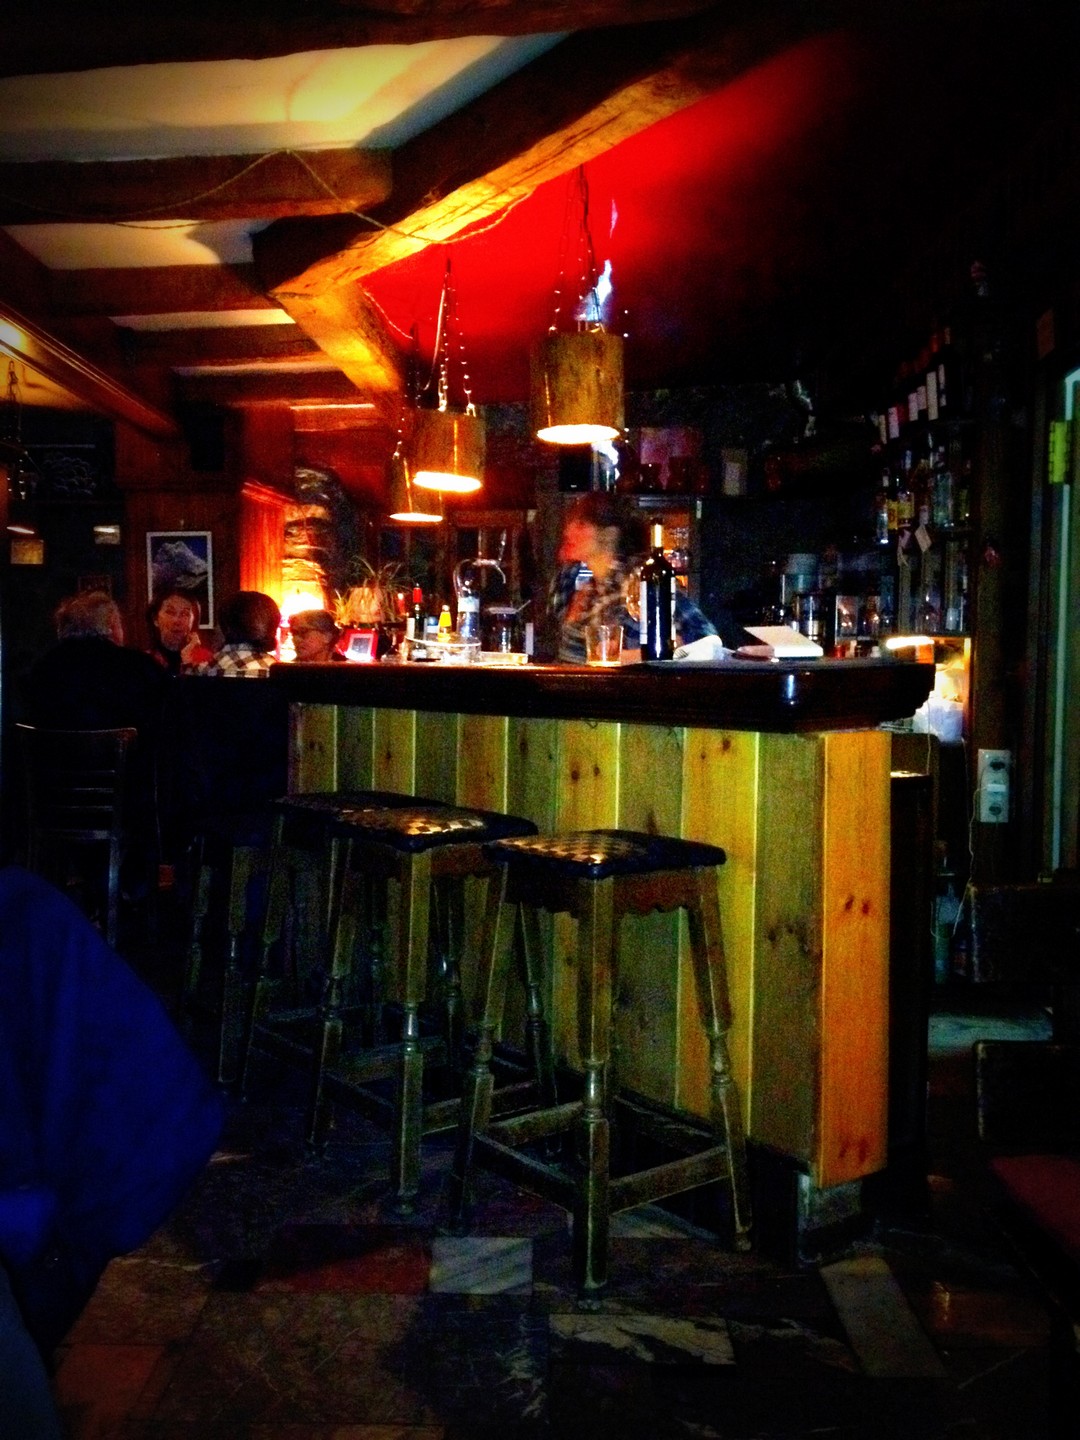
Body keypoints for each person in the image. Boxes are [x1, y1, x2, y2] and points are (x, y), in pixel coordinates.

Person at [548, 492, 717, 663]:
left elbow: (705, 639)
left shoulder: (641, 579)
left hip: (626, 681)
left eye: (581, 524)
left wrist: (631, 657)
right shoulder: (589, 587)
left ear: (610, 534)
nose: (568, 531)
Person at [23, 590, 167, 741]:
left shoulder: (43, 668)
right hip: (123, 755)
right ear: (111, 624)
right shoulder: (139, 667)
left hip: (56, 755)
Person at [191, 591, 280, 677]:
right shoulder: (278, 674)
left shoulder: (200, 670)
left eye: (217, 623)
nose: (215, 628)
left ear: (224, 627)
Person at [146, 586, 213, 675]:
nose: (177, 620)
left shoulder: (206, 659)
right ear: (155, 619)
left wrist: (189, 663)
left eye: (185, 614)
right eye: (170, 612)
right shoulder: (145, 661)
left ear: (194, 621)